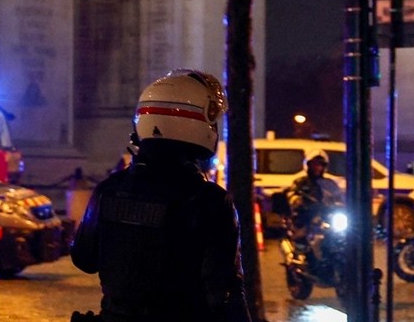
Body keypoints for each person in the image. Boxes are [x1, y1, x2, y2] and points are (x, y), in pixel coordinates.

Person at [71, 69, 251, 322]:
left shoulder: (108, 189)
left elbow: (84, 259)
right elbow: (225, 289)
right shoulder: (209, 199)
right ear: (198, 124)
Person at [284, 148, 344, 249]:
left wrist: (341, 204)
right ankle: (300, 253)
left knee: (344, 234)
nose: (318, 168)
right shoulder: (300, 182)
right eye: (315, 164)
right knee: (301, 236)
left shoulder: (330, 183)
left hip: (326, 216)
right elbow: (292, 195)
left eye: (321, 165)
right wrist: (297, 200)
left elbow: (339, 197)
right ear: (308, 165)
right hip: (306, 216)